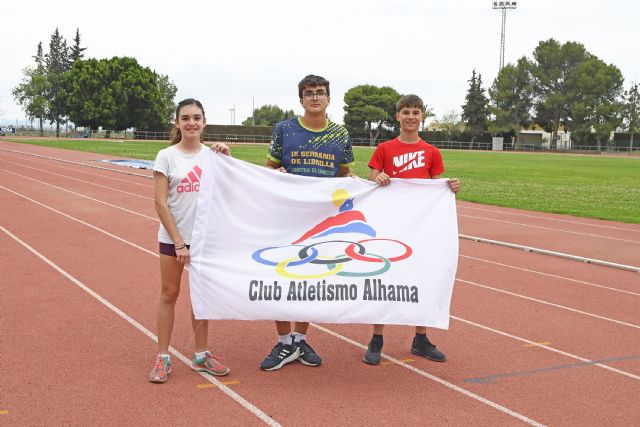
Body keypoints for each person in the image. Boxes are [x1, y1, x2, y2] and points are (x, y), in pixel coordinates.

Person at [261, 74, 355, 371]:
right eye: (309, 93)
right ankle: (283, 340)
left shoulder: (340, 134)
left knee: (310, 279)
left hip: (321, 220)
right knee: (281, 275)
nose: (315, 97)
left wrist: (353, 183)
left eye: (320, 92)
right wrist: (280, 177)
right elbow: (269, 170)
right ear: (301, 99)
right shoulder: (285, 129)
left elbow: (344, 175)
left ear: (329, 99)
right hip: (286, 215)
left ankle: (300, 339)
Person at [362, 94, 461, 366]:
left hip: (420, 228)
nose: (410, 117)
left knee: (421, 278)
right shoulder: (384, 148)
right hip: (389, 224)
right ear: (397, 116)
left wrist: (449, 187)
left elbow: (435, 186)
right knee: (383, 279)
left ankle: (420, 338)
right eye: (406, 112)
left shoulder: (431, 152)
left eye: (416, 112)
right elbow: (369, 178)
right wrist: (377, 177)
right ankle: (376, 338)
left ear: (422, 117)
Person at [149, 98, 231, 383]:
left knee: (201, 299)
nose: (191, 123)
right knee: (169, 294)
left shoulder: (213, 156)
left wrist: (227, 158)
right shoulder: (166, 156)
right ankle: (163, 357)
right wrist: (179, 243)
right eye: (185, 118)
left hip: (205, 240)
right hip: (173, 239)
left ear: (204, 122)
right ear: (177, 123)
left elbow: (229, 191)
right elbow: (160, 204)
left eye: (197, 118)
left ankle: (201, 355)